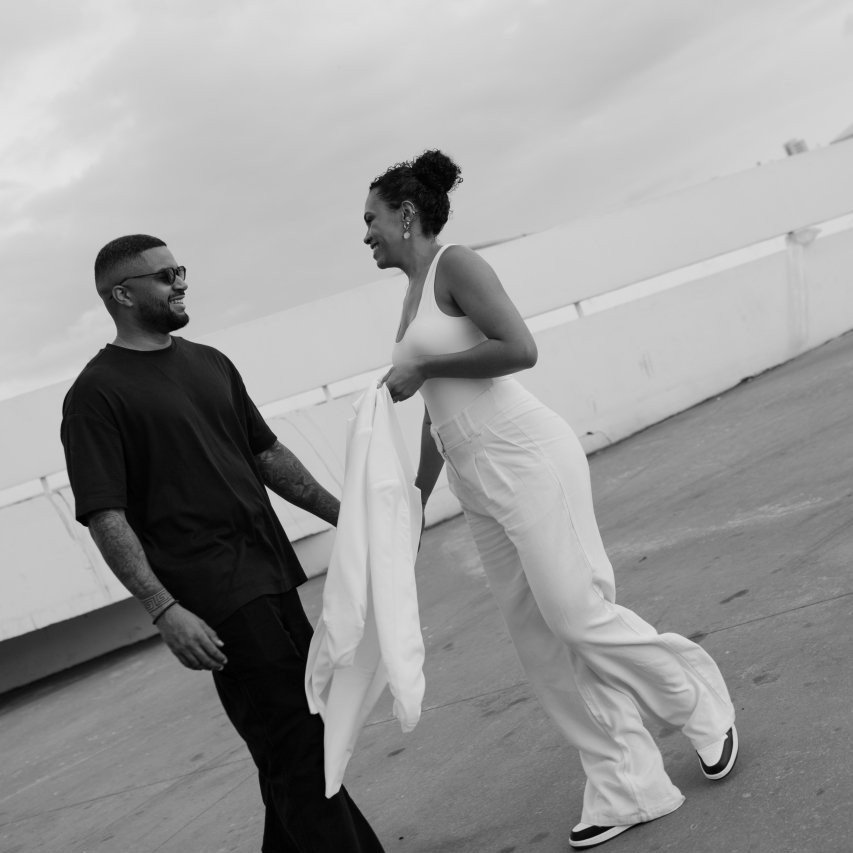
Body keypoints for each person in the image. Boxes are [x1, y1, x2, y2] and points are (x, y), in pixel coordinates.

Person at [365, 151, 739, 849]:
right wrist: (415, 499)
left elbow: (519, 347)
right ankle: (628, 786)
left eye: (372, 219)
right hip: (473, 472)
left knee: (576, 614)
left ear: (406, 215)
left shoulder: (456, 265)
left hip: (524, 452)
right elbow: (434, 404)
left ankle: (697, 703)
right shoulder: (411, 291)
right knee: (538, 641)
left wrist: (425, 365)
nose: (366, 235)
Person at [60, 234, 385, 853]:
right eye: (164, 276)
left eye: (180, 269)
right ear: (122, 295)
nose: (181, 282)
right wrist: (163, 608)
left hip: (271, 572)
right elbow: (105, 515)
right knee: (298, 744)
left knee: (293, 740)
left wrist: (349, 517)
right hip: (216, 596)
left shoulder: (210, 362)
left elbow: (268, 455)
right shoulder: (95, 395)